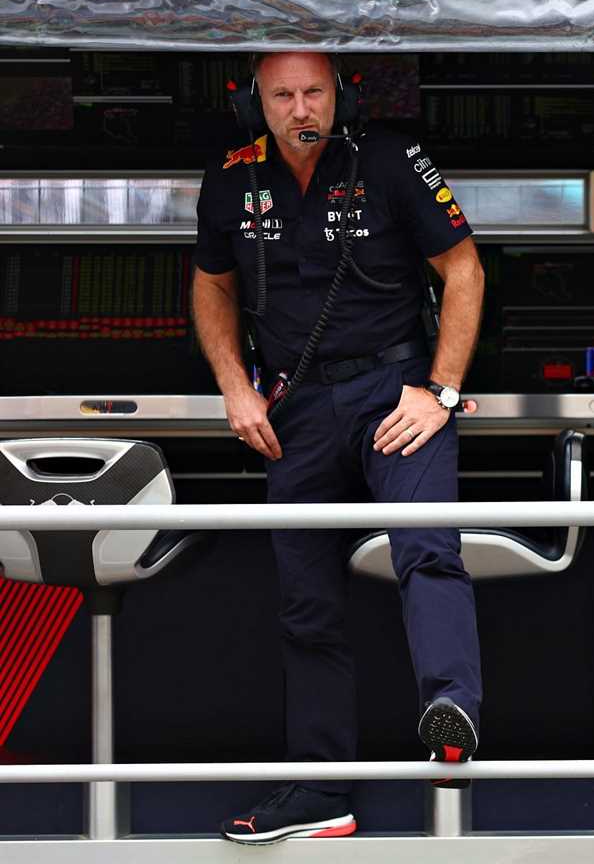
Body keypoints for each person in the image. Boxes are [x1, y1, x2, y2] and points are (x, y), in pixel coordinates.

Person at [192, 51, 485, 843]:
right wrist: (234, 384)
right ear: (255, 101)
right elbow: (212, 282)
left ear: (341, 93)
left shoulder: (390, 160)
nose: (299, 107)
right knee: (305, 600)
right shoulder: (230, 178)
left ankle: (450, 710)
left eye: (312, 90)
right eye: (281, 94)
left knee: (425, 548)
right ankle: (323, 790)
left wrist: (442, 389)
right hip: (296, 402)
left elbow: (462, 269)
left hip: (396, 394)